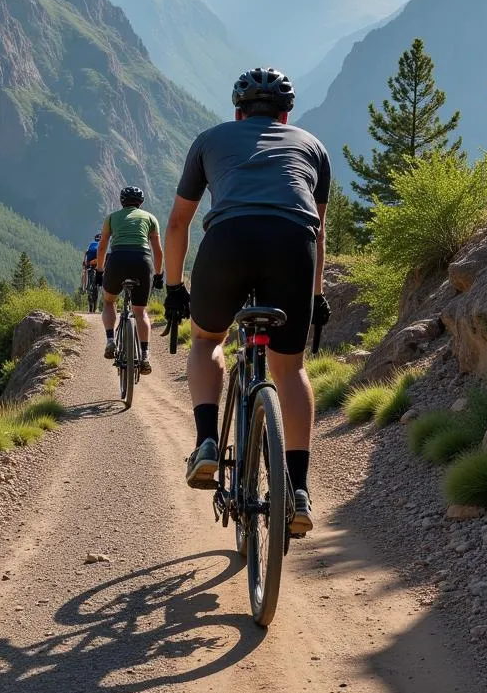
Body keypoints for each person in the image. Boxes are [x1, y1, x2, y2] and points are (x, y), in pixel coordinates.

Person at [162, 67, 332, 535]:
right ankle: (297, 491)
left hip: (228, 243)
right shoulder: (313, 147)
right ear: (285, 116)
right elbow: (317, 232)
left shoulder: (210, 139)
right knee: (290, 368)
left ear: (237, 112)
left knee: (206, 339)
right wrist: (316, 295)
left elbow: (178, 223)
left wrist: (174, 288)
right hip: (292, 247)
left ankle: (207, 443)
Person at [96, 186, 165, 375]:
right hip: (142, 261)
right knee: (140, 312)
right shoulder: (150, 218)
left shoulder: (111, 218)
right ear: (140, 202)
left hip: (117, 260)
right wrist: (158, 275)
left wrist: (100, 271)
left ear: (122, 202)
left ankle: (110, 340)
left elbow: (102, 247)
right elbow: (158, 251)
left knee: (109, 302)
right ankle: (144, 355)